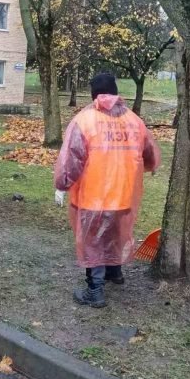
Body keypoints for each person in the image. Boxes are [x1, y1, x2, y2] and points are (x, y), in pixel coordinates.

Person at [53, 73, 160, 308]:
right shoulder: (134, 120)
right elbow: (150, 152)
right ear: (115, 92)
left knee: (92, 241)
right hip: (123, 195)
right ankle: (115, 272)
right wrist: (151, 166)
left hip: (94, 195)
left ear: (94, 94)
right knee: (114, 236)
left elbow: (71, 159)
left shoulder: (85, 120)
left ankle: (95, 291)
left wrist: (61, 185)